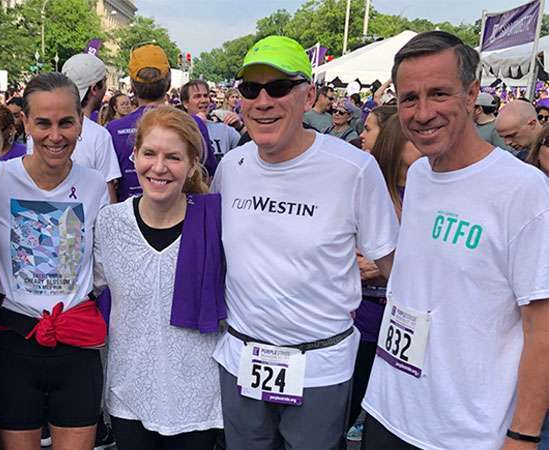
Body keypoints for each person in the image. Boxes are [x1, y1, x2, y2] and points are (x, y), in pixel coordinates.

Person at [361, 31, 549, 450]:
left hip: (464, 433)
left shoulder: (524, 191)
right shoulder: (424, 174)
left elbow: (543, 329)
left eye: (439, 94)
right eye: (409, 98)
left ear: (472, 94)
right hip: (389, 409)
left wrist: (522, 436)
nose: (422, 112)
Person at [212, 35, 398, 450]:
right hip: (243, 359)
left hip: (319, 366)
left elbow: (395, 266)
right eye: (250, 89)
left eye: (278, 88)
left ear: (308, 94)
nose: (263, 101)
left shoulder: (353, 168)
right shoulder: (231, 166)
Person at [0, 72, 108, 450]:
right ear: (25, 123)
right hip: (13, 345)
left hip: (76, 347)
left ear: (81, 124)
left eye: (66, 122)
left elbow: (103, 263)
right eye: (44, 123)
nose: (56, 135)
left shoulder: (94, 185)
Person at [94, 105, 224, 450]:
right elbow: (84, 289)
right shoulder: (110, 224)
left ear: (193, 164)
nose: (159, 167)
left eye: (174, 157)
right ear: (134, 155)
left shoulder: (214, 223)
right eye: (149, 153)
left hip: (197, 399)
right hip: (129, 394)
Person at [345, 114, 421, 443]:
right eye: (415, 136)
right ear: (395, 140)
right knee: (345, 411)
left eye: (368, 128)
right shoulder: (367, 185)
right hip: (363, 321)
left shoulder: (433, 190)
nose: (426, 140)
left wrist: (389, 261)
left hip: (409, 328)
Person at [107, 44, 218, 201]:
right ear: (169, 82)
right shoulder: (194, 124)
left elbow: (110, 186)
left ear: (132, 86)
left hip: (130, 220)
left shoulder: (113, 129)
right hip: (185, 217)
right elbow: (208, 174)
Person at [62, 54, 123, 204]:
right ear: (95, 88)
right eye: (105, 82)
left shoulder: (39, 133)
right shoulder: (99, 135)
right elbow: (109, 196)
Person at [181, 81, 241, 159]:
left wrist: (240, 127)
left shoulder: (224, 130)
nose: (203, 100)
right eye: (197, 96)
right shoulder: (178, 130)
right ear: (186, 103)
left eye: (206, 96)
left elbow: (250, 151)